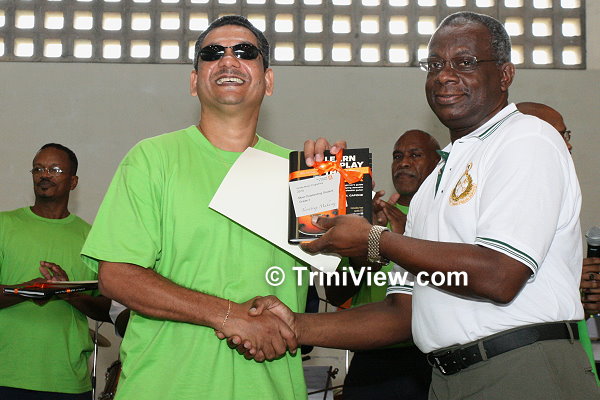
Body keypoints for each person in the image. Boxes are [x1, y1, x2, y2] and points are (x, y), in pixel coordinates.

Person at [236, 11, 600, 400]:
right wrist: (293, 324)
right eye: (435, 64)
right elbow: (401, 314)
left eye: (465, 62)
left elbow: (501, 276)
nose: (444, 75)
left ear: (505, 74)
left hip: (521, 367)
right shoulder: (433, 185)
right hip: (446, 378)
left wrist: (376, 240)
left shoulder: (526, 137)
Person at [80, 15, 342, 400]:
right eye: (212, 53)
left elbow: (349, 284)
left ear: (268, 80)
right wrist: (229, 315)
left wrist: (348, 197)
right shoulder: (151, 159)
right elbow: (117, 276)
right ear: (193, 82)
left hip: (269, 390)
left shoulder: (303, 174)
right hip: (163, 388)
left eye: (245, 52)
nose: (228, 60)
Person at [325, 130, 440, 400]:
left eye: (415, 155)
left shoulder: (445, 217)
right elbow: (336, 295)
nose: (403, 162)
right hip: (371, 359)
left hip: (429, 358)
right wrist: (370, 248)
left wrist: (402, 241)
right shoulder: (365, 220)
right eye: (397, 156)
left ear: (437, 164)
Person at [0, 143, 111, 400]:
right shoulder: (4, 225)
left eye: (55, 169)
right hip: (6, 375)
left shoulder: (92, 238)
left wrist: (67, 292)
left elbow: (108, 310)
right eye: (38, 169)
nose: (44, 175)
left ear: (73, 182)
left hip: (68, 381)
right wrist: (28, 290)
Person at [516, 101, 600, 383]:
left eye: (567, 135)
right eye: (559, 136)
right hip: (529, 364)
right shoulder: (512, 206)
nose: (569, 146)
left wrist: (581, 299)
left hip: (569, 359)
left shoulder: (557, 197)